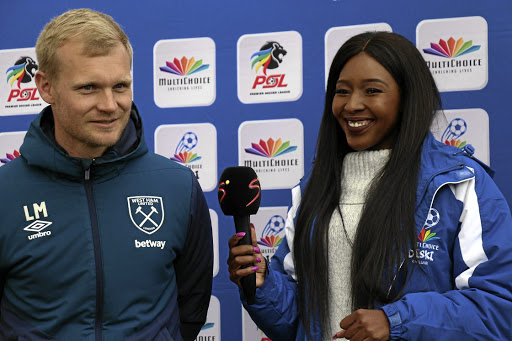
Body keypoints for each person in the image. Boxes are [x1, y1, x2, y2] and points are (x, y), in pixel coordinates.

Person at [227, 31, 512, 340]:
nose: (352, 105)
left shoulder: (458, 184)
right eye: (342, 91)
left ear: (408, 98)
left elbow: (498, 309)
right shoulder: (312, 190)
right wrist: (263, 283)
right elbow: (297, 321)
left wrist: (397, 322)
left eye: (372, 90)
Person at [0, 8, 213, 340]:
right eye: (88, 88)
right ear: (46, 86)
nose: (110, 105)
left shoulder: (178, 186)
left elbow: (191, 308)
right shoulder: (5, 193)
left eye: (121, 85)